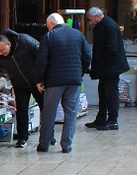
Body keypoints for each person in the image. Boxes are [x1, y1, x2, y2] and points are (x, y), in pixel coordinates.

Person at [33, 12, 92, 154]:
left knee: (49, 113)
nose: (48, 29)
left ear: (52, 24)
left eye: (48, 26)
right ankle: (67, 145)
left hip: (54, 82)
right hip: (74, 81)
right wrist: (80, 73)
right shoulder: (78, 35)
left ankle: (44, 144)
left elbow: (42, 61)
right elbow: (87, 56)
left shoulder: (49, 37)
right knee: (71, 114)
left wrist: (39, 80)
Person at [0, 30, 43, 148]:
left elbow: (42, 56)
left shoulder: (24, 40)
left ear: (9, 44)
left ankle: (48, 136)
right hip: (19, 83)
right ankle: (22, 138)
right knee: (21, 109)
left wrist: (43, 78)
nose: (0, 53)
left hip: (37, 82)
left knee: (45, 108)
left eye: (2, 50)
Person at [87, 7, 129, 131]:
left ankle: (112, 120)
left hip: (111, 68)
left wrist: (103, 65)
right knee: (103, 93)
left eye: (91, 19)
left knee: (111, 94)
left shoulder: (109, 26)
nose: (90, 22)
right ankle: (101, 118)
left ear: (97, 16)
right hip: (106, 67)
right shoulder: (103, 26)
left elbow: (112, 49)